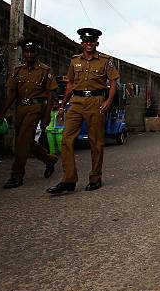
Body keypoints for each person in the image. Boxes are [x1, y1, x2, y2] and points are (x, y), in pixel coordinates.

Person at [47, 28, 120, 194]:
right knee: (66, 139)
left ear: (97, 43)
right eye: (85, 41)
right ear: (82, 43)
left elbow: (114, 82)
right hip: (76, 102)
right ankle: (68, 180)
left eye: (92, 41)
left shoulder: (105, 61)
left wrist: (108, 101)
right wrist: (61, 106)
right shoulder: (74, 61)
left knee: (96, 142)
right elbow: (70, 84)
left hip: (96, 102)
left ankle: (95, 178)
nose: (89, 44)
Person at [0, 38, 58, 189]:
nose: (29, 54)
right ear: (23, 53)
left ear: (37, 53)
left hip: (35, 109)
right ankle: (49, 159)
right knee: (26, 141)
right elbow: (11, 94)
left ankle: (16, 175)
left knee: (22, 142)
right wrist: (2, 112)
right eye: (27, 52)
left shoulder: (45, 71)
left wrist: (46, 116)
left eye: (32, 52)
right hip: (20, 109)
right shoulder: (18, 71)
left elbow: (50, 95)